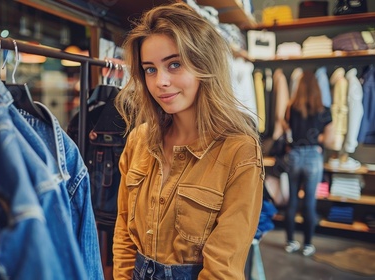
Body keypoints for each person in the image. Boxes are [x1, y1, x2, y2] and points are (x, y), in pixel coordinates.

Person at [112, 2, 264, 279]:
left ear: (205, 64)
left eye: (174, 64)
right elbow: (124, 231)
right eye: (150, 69)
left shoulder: (238, 149)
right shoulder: (139, 140)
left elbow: (223, 267)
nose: (161, 82)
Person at [282, 70, 333, 257]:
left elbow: (285, 126)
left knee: (292, 201)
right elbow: (330, 139)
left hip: (294, 155)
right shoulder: (324, 110)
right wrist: (318, 139)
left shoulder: (291, 107)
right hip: (313, 157)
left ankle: (289, 242)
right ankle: (308, 245)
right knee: (309, 203)